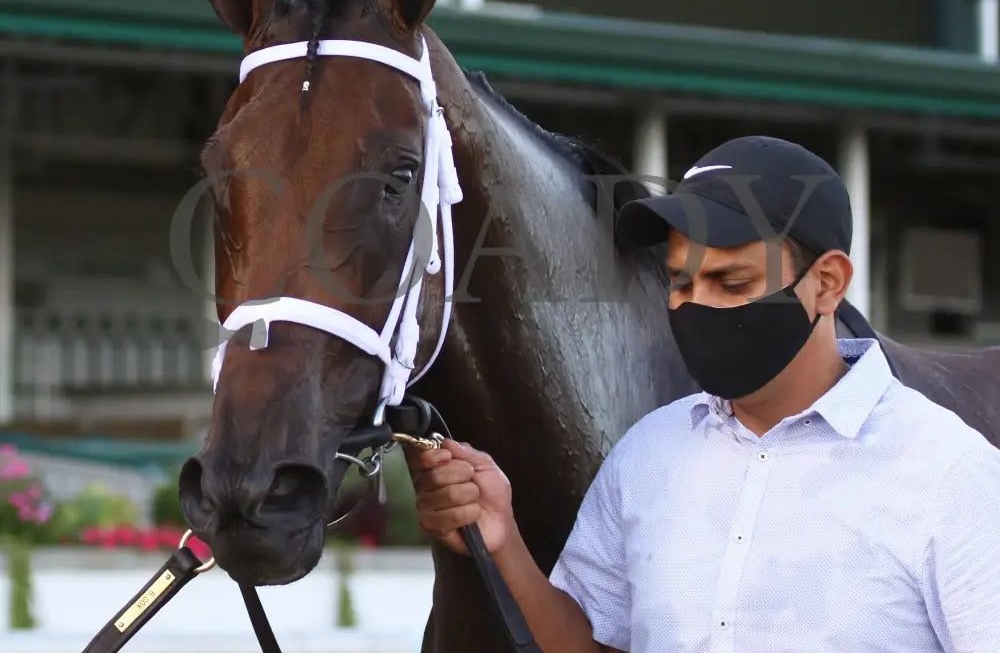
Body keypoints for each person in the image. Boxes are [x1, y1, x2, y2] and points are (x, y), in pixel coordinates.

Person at [406, 135, 1000, 653]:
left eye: (732, 281)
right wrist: (502, 539)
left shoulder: (948, 472)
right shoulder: (647, 456)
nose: (698, 305)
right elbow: (590, 646)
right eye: (683, 281)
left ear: (827, 284)